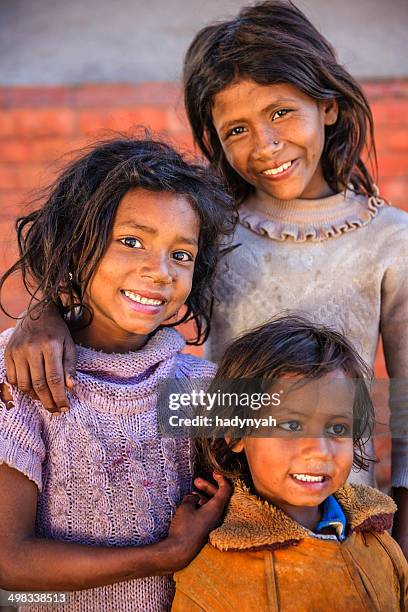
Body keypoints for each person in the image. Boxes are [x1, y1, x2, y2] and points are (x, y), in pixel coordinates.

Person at [3, 0, 408, 554]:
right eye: (237, 128)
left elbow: (404, 409)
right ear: (215, 139)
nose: (265, 144)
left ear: (329, 108)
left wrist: (400, 549)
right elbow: (124, 285)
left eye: (283, 113)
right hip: (216, 512)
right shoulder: (207, 231)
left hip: (334, 508)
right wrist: (43, 310)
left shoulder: (389, 239)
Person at [0, 137, 236, 611]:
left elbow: (325, 419)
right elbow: (9, 559)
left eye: (181, 255)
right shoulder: (20, 374)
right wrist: (164, 555)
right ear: (73, 248)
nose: (160, 272)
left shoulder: (201, 387)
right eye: (131, 242)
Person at [172, 316, 408, 611]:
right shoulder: (214, 577)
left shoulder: (377, 541)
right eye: (291, 425)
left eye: (337, 429)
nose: (320, 452)